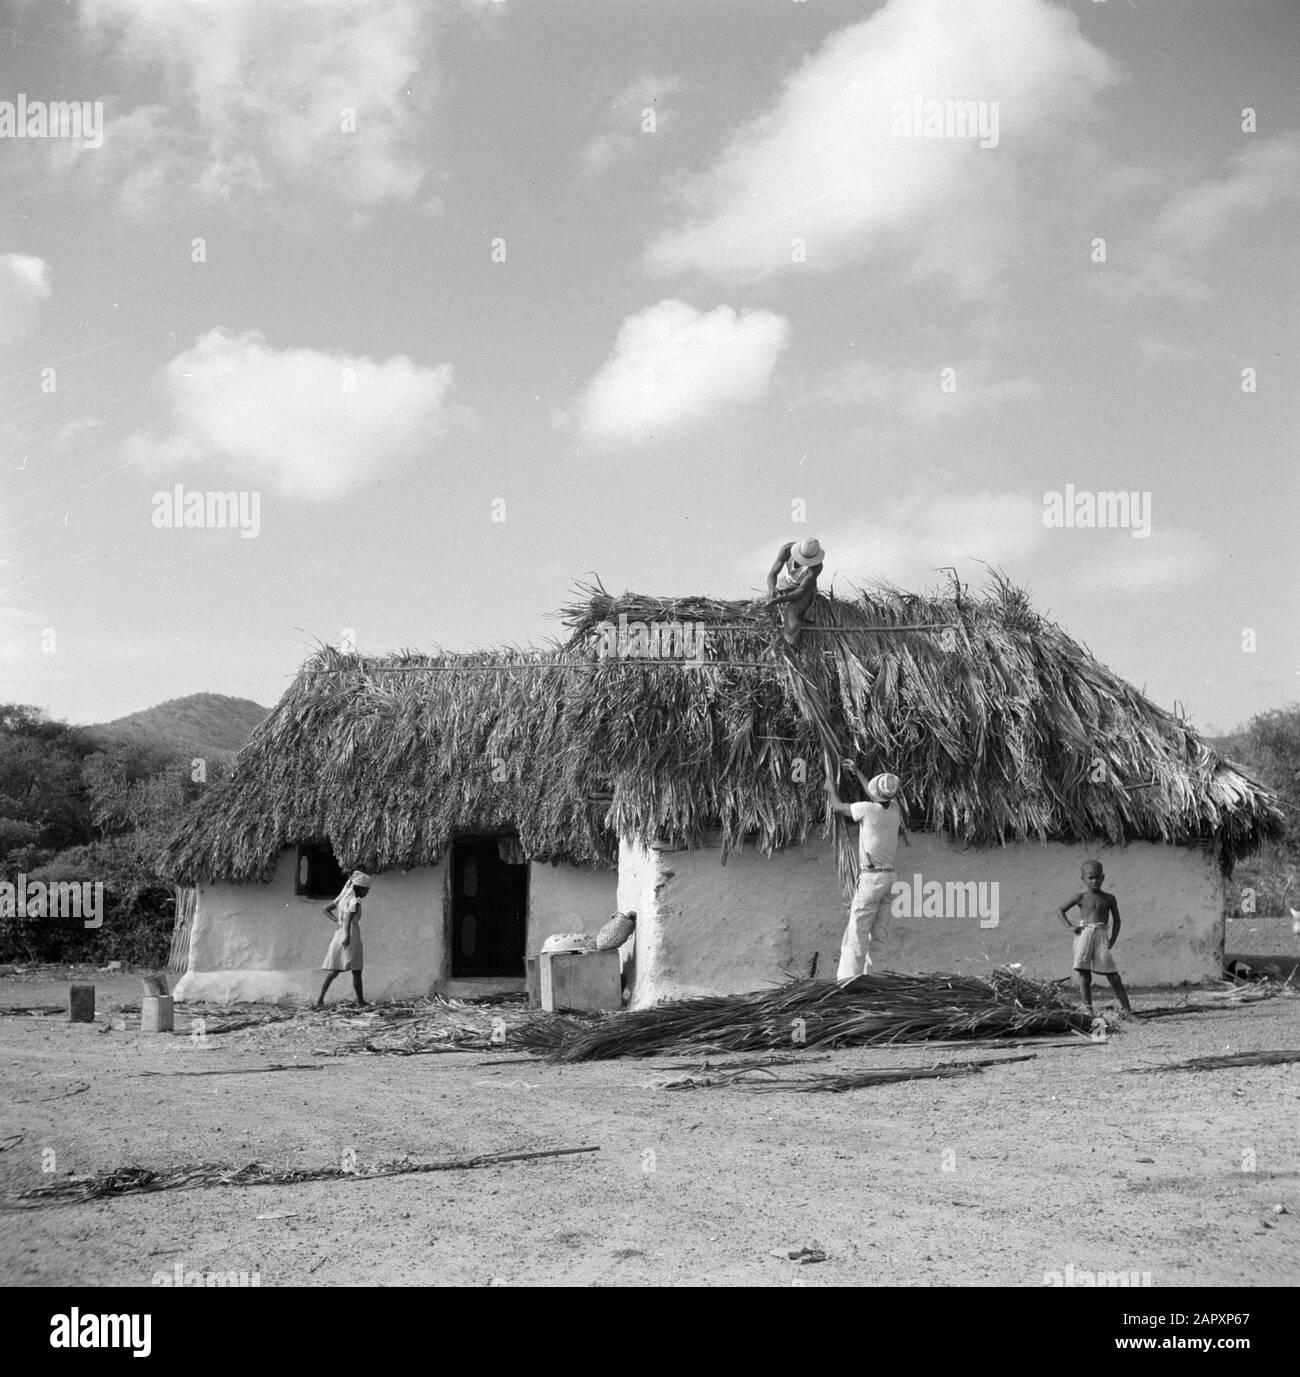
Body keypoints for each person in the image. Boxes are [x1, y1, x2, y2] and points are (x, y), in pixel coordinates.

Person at [825, 768, 904, 979]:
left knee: (857, 932)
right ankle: (876, 979)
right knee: (879, 934)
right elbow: (876, 795)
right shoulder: (895, 809)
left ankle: (848, 980)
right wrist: (858, 771)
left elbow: (837, 807)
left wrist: (830, 789)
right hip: (890, 879)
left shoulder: (867, 810)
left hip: (872, 879)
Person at [1057, 860, 1135, 1017]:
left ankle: (1127, 1012)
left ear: (1103, 877)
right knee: (1084, 975)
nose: (1094, 881)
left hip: (1101, 934)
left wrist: (1112, 939)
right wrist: (1070, 926)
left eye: (1098, 877)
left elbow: (1117, 920)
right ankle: (1088, 1011)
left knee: (1112, 974)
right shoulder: (1080, 897)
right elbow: (1060, 910)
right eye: (1090, 878)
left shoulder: (1109, 898)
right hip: (1084, 933)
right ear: (1083, 879)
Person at [315, 870, 371, 1008]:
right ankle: (361, 1001)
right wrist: (347, 935)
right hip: (350, 934)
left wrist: (336, 922)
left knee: (335, 970)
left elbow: (325, 909)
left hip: (338, 933)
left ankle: (320, 999)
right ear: (361, 888)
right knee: (357, 970)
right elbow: (348, 920)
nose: (367, 893)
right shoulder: (355, 901)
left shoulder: (342, 899)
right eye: (367, 890)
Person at [765, 538, 824, 646]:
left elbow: (800, 591)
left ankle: (791, 646)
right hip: (785, 584)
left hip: (804, 590)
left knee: (790, 612)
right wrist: (771, 589)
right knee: (764, 608)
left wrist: (779, 600)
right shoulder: (787, 550)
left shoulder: (817, 567)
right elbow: (772, 574)